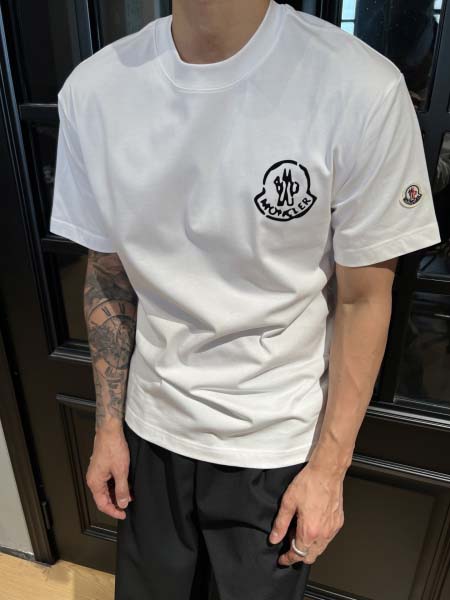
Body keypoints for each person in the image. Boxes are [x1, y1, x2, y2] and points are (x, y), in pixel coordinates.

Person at [49, 1, 442, 598]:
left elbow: (364, 300)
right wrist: (108, 429)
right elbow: (108, 275)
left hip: (275, 444)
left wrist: (329, 469)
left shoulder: (359, 87)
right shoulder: (94, 91)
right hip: (150, 431)